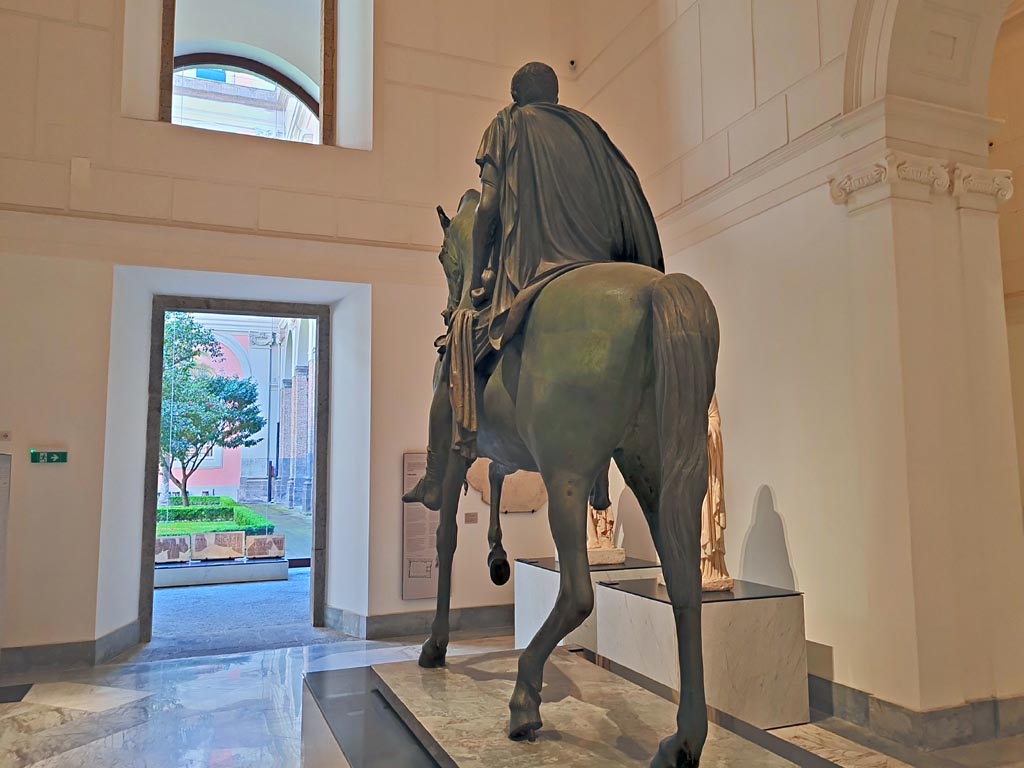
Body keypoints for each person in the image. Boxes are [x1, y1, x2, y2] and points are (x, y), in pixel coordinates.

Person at [404, 62, 664, 510]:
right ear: (556, 94)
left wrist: (476, 281)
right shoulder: (590, 131)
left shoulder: (508, 124)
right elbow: (627, 194)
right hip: (600, 260)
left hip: (532, 270)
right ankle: (599, 472)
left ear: (516, 94)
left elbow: (487, 208)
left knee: (451, 363)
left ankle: (433, 477)